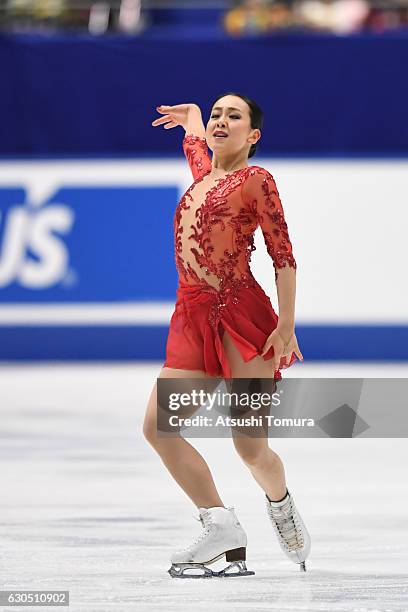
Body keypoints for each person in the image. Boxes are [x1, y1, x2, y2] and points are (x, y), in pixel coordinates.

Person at [143, 93, 311, 578]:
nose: (221, 121)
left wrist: (286, 324)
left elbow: (283, 256)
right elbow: (194, 142)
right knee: (158, 426)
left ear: (252, 135)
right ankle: (220, 525)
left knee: (249, 447)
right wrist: (194, 117)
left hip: (243, 320)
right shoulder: (201, 175)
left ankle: (279, 502)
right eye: (218, 114)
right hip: (192, 316)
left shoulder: (256, 180)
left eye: (233, 116)